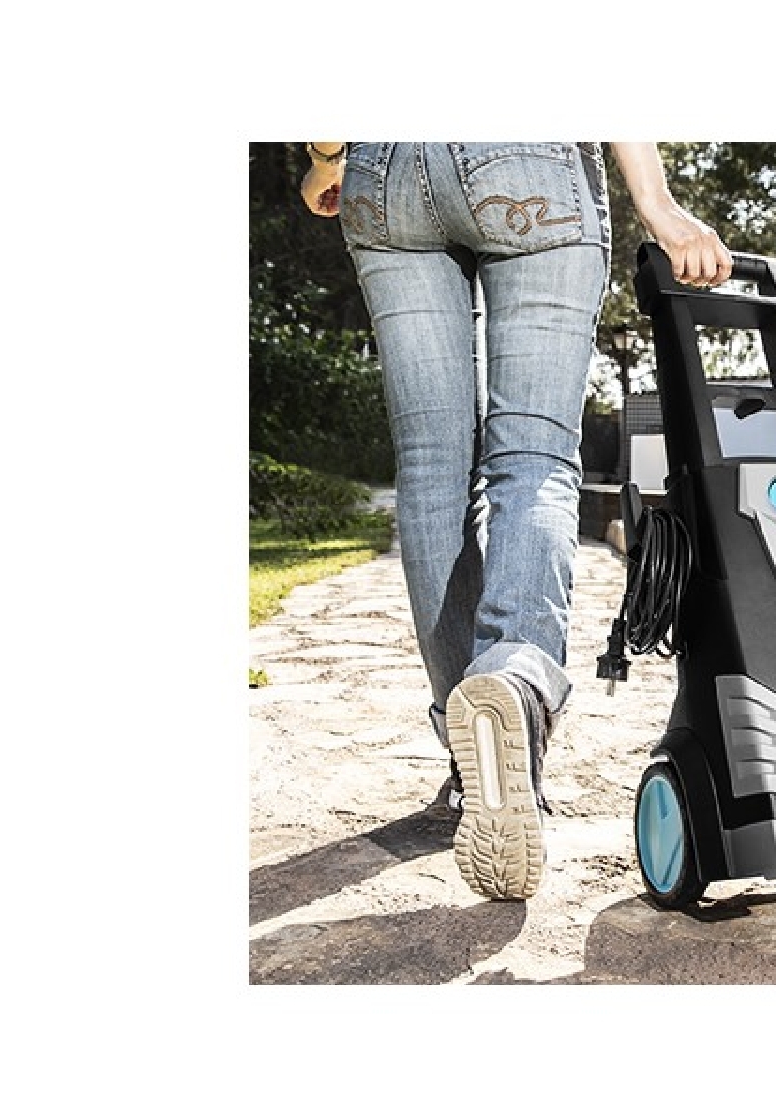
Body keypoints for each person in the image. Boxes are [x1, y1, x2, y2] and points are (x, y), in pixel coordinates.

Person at [300, 141, 732, 901]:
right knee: (533, 453)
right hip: (527, 162)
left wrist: (328, 159)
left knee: (431, 469)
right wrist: (658, 206)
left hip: (386, 174)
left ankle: (469, 748)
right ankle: (514, 681)